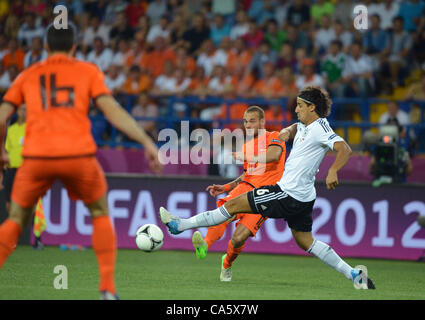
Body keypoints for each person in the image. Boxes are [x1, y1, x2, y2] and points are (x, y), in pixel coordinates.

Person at [0, 25, 162, 300]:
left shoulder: (28, 74)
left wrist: (2, 151)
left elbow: (2, 116)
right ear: (75, 47)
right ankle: (108, 290)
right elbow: (112, 110)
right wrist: (147, 141)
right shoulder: (87, 71)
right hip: (78, 156)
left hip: (36, 157)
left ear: (46, 47)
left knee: (16, 218)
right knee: (100, 212)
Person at [160, 86, 376, 290]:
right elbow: (295, 127)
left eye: (300, 105)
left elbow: (345, 149)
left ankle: (181, 225)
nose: (295, 109)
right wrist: (287, 131)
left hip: (287, 193)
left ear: (312, 108)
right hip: (304, 196)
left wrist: (333, 171)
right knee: (305, 241)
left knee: (233, 205)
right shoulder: (304, 125)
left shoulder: (320, 129)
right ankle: (354, 275)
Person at [192, 106, 286, 281]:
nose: (248, 125)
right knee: (223, 214)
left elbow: (274, 155)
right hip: (245, 187)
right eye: (245, 121)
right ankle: (204, 246)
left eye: (252, 121)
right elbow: (247, 173)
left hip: (264, 196)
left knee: (238, 238)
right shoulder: (248, 145)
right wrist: (226, 187)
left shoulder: (275, 137)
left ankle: (226, 263)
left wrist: (249, 157)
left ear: (262, 122)